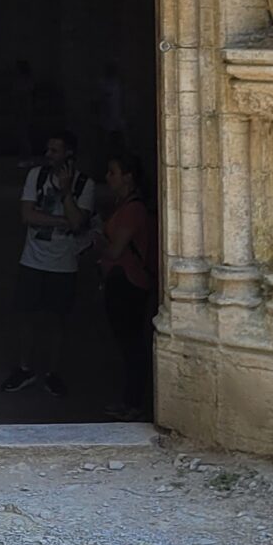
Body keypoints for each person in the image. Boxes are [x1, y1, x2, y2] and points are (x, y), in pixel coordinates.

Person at [2, 129, 96, 399]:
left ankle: (53, 372)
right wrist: (64, 222)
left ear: (69, 153)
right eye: (48, 149)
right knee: (26, 316)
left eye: (55, 150)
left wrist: (66, 193)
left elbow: (79, 222)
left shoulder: (84, 185)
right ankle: (25, 367)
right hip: (32, 260)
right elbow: (27, 215)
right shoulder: (37, 176)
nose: (48, 155)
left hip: (63, 264)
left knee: (58, 320)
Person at [94, 149, 158, 418]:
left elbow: (114, 251)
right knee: (128, 343)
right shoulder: (126, 205)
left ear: (128, 177)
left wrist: (96, 236)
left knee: (131, 344)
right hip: (123, 280)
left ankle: (133, 403)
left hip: (127, 282)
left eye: (113, 172)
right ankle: (130, 400)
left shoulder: (132, 210)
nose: (108, 177)